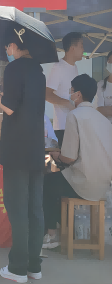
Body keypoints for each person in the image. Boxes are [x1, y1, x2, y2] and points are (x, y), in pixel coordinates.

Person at [0, 27, 46, 283]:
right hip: (35, 148)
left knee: (18, 208)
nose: (6, 52)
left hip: (16, 149)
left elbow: (9, 107)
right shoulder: (39, 72)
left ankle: (18, 268)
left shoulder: (14, 69)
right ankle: (33, 265)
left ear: (14, 45)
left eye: (7, 47)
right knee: (35, 208)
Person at [43, 74, 112, 249]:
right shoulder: (104, 120)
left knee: (47, 184)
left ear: (78, 94)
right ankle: (68, 230)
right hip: (103, 185)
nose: (70, 93)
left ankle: (52, 235)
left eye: (71, 90)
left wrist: (57, 155)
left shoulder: (74, 115)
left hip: (84, 183)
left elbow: (69, 158)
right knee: (59, 183)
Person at [45, 32, 84, 147]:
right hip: (63, 127)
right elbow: (47, 94)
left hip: (74, 124)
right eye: (81, 46)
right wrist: (67, 103)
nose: (83, 50)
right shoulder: (58, 67)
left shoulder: (75, 67)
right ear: (72, 48)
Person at [96, 51, 112, 123]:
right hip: (106, 127)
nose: (110, 63)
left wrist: (107, 109)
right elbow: (100, 110)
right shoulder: (101, 84)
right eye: (109, 61)